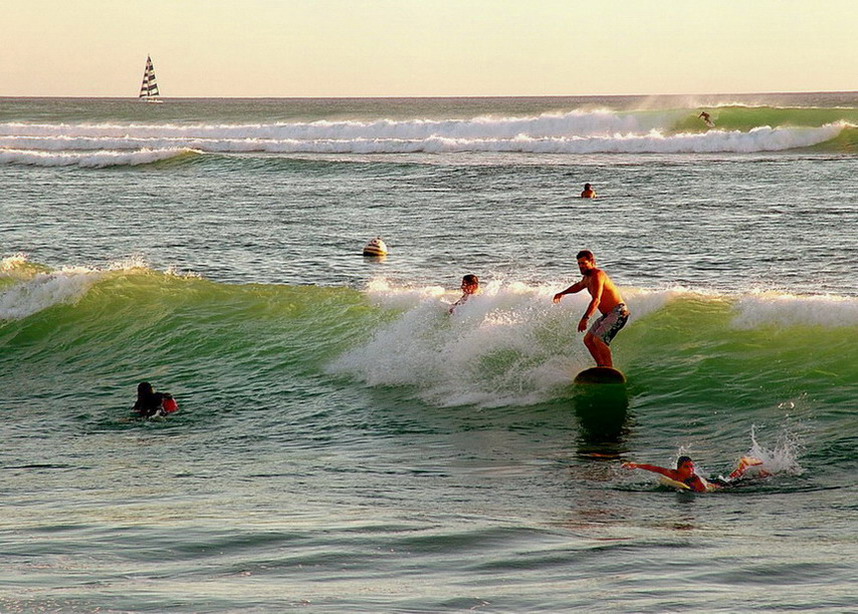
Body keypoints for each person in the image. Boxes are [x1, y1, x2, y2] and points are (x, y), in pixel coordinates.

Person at [552, 250, 629, 368]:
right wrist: (563, 293)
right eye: (579, 264)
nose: (581, 266)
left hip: (618, 312)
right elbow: (578, 286)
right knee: (588, 340)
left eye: (583, 263)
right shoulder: (587, 278)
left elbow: (596, 300)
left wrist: (586, 318)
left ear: (592, 262)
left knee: (599, 340)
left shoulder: (598, 275)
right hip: (607, 315)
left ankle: (609, 369)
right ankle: (601, 365)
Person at [622, 455, 765, 492]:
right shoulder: (672, 474)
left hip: (712, 486)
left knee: (731, 483)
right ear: (679, 468)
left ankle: (745, 465)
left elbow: (705, 489)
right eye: (686, 467)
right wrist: (636, 465)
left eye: (691, 466)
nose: (690, 470)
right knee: (730, 479)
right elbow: (654, 468)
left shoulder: (695, 479)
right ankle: (744, 466)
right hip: (706, 484)